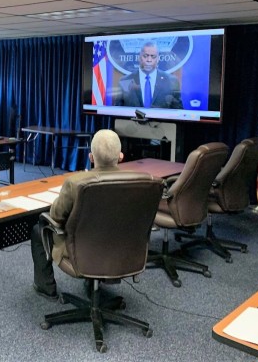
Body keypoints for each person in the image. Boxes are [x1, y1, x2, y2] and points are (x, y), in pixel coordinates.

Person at [30, 129, 124, 299]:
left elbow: (56, 216)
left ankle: (46, 287)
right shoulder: (139, 181)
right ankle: (93, 283)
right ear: (121, 156)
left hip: (81, 251)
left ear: (91, 157)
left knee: (39, 229)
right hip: (121, 249)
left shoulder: (75, 183)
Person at [116, 42, 183, 109]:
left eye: (153, 56)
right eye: (145, 56)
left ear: (158, 59)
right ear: (139, 57)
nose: (149, 60)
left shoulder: (172, 81)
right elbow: (117, 112)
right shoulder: (125, 81)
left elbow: (178, 113)